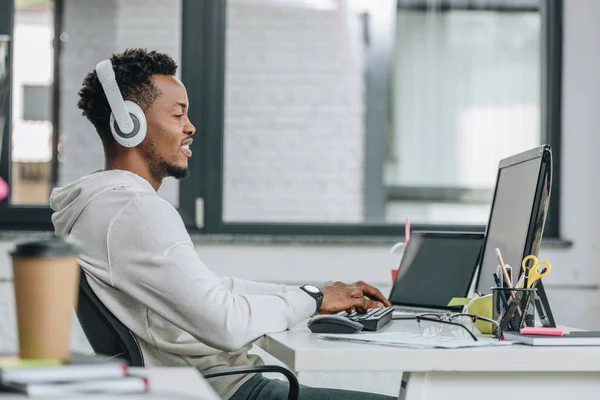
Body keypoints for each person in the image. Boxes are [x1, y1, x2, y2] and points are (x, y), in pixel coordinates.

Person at [50, 48, 395, 400]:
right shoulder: (133, 210)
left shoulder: (104, 206)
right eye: (178, 114)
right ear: (130, 123)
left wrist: (313, 295)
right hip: (224, 390)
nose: (190, 127)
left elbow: (213, 290)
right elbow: (225, 324)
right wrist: (313, 298)